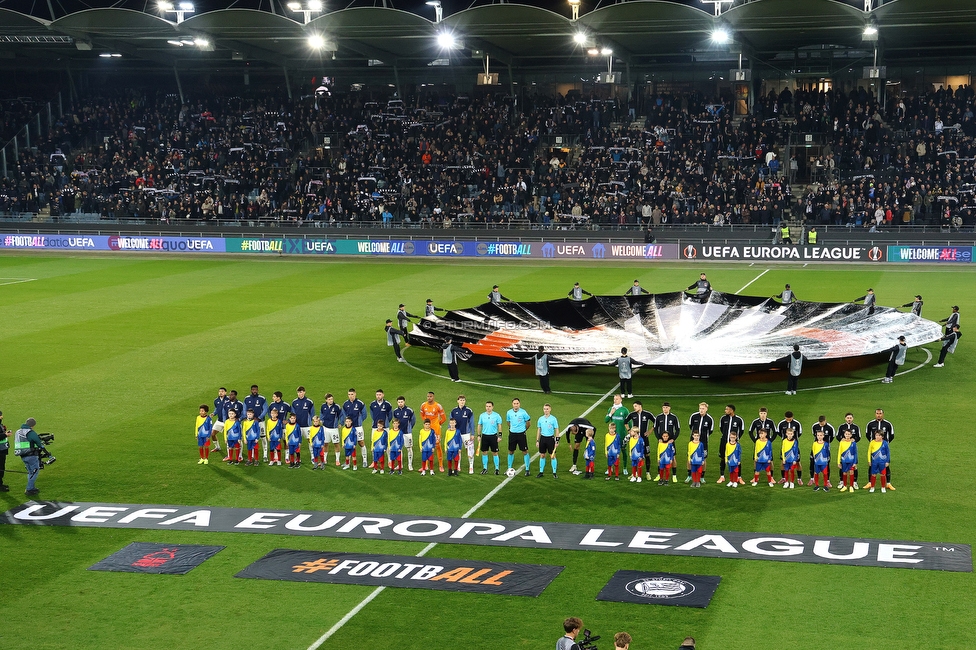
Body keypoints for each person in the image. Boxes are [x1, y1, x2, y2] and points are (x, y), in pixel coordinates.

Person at [13, 417, 46, 496]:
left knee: (31, 472)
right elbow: (37, 441)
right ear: (32, 425)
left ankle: (32, 487)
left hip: (22, 455)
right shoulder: (30, 432)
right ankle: (29, 489)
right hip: (31, 455)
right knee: (35, 471)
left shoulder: (18, 431)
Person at [866, 408, 895, 489]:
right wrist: (874, 443)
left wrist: (886, 443)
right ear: (875, 414)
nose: (879, 415)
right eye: (877, 413)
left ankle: (888, 483)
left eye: (880, 413)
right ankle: (870, 483)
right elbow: (868, 435)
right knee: (871, 465)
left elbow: (892, 435)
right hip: (874, 449)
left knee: (886, 465)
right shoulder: (870, 424)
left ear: (883, 414)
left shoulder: (888, 424)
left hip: (883, 448)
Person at [717, 404, 745, 484]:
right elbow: (721, 428)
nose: (725, 411)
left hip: (734, 444)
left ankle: (739, 477)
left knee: (737, 460)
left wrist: (735, 439)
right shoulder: (723, 418)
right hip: (724, 442)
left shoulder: (739, 420)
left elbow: (741, 431)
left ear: (731, 410)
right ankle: (722, 476)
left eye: (727, 409)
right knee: (723, 458)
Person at [420, 391, 447, 472]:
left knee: (437, 446)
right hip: (427, 430)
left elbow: (444, 418)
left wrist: (438, 424)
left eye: (430, 396)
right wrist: (426, 423)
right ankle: (426, 466)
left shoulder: (438, 406)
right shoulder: (423, 405)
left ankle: (441, 465)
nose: (429, 398)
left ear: (433, 397)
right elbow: (422, 414)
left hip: (436, 430)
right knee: (426, 446)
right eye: (428, 396)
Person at [627, 401, 655, 480]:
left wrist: (650, 431)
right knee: (634, 456)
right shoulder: (632, 415)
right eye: (634, 406)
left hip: (644, 439)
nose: (634, 408)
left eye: (635, 406)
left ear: (640, 406)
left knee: (647, 455)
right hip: (634, 440)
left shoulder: (647, 414)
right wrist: (629, 430)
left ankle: (647, 472)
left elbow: (656, 422)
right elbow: (625, 422)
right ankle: (634, 474)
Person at [342, 388, 369, 469]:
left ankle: (365, 460)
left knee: (361, 442)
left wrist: (359, 421)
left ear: (355, 394)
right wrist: (347, 423)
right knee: (348, 444)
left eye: (352, 394)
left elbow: (364, 415)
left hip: (358, 427)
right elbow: (344, 415)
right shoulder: (345, 404)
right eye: (349, 394)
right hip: (348, 428)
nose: (350, 396)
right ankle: (348, 462)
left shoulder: (360, 403)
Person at [654, 402, 680, 482]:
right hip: (661, 442)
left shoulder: (674, 417)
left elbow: (678, 429)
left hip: (670, 441)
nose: (665, 409)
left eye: (666, 407)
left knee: (673, 457)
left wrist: (673, 439)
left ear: (669, 408)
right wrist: (659, 438)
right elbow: (655, 428)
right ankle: (659, 474)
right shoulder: (658, 417)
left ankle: (674, 475)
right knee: (660, 457)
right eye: (664, 407)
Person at [689, 402, 715, 482]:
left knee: (704, 458)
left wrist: (703, 437)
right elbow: (690, 426)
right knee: (690, 457)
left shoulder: (709, 419)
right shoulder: (693, 416)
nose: (701, 410)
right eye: (700, 408)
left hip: (703, 442)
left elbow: (711, 430)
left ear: (706, 409)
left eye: (703, 408)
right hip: (693, 442)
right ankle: (689, 475)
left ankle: (702, 477)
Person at [605, 394, 631, 475]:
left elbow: (629, 422)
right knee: (611, 452)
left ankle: (625, 468)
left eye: (616, 399)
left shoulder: (624, 410)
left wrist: (630, 431)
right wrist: (610, 414)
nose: (615, 401)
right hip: (612, 435)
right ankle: (610, 468)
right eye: (614, 399)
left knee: (623, 450)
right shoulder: (611, 409)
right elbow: (606, 420)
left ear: (621, 400)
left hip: (622, 434)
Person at [506, 398, 532, 476]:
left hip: (521, 434)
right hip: (512, 434)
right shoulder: (509, 412)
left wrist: (524, 430)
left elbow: (528, 423)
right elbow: (508, 422)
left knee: (525, 451)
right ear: (512, 404)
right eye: (514, 403)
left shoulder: (523, 412)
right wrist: (512, 428)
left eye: (517, 403)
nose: (516, 405)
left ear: (519, 404)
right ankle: (509, 468)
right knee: (511, 451)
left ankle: (527, 470)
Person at [450, 395, 476, 475]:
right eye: (461, 400)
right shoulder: (454, 411)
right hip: (457, 434)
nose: (462, 402)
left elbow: (472, 423)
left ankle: (471, 466)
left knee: (469, 450)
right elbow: (450, 422)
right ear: (457, 401)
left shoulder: (469, 411)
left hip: (466, 434)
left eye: (463, 400)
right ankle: (458, 466)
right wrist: (450, 431)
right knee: (458, 450)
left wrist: (473, 433)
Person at [477, 400, 503, 475]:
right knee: (484, 452)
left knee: (495, 452)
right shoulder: (482, 415)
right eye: (487, 406)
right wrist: (479, 435)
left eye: (489, 406)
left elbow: (499, 425)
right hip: (485, 436)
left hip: (493, 436)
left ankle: (497, 469)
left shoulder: (496, 415)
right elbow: (479, 425)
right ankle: (485, 468)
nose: (488, 408)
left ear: (492, 407)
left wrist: (500, 435)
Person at [777, 411, 803, 483]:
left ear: (792, 417)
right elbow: (778, 432)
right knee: (783, 462)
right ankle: (783, 478)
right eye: (787, 419)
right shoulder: (781, 423)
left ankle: (799, 478)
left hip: (794, 446)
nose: (788, 420)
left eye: (790, 419)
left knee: (797, 462)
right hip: (785, 446)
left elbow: (799, 433)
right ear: (785, 417)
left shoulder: (797, 424)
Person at [369, 389, 394, 466]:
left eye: (380, 394)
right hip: (375, 427)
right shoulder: (372, 404)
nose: (378, 396)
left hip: (385, 427)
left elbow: (390, 416)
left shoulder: (387, 404)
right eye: (377, 395)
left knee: (387, 443)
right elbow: (372, 415)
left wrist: (385, 423)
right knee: (374, 444)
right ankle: (374, 461)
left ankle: (390, 461)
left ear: (383, 395)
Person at [244, 385, 268, 461]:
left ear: (258, 390)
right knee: (252, 438)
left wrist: (259, 418)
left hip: (260, 422)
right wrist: (248, 418)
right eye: (253, 390)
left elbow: (265, 409)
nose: (255, 391)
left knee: (263, 437)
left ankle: (265, 455)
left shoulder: (262, 398)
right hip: (250, 423)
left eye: (256, 390)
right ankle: (252, 455)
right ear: (251, 390)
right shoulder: (247, 398)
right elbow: (244, 409)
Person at [810, 415, 836, 487]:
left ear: (825, 421)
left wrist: (826, 443)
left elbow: (832, 436)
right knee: (812, 463)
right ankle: (812, 479)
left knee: (827, 464)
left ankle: (827, 481)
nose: (821, 424)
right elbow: (814, 434)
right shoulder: (815, 426)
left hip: (825, 449)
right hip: (816, 448)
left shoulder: (830, 428)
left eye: (822, 423)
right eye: (820, 423)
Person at [393, 396, 417, 471]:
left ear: (404, 402)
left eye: (401, 402)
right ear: (397, 402)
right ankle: (400, 464)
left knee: (409, 448)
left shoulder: (409, 410)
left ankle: (410, 464)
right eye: (399, 402)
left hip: (407, 433)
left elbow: (413, 421)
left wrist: (409, 428)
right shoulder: (395, 411)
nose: (400, 403)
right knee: (399, 449)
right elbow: (394, 421)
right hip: (398, 433)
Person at [536, 403, 559, 478]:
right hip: (543, 438)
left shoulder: (553, 419)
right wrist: (537, 440)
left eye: (547, 409)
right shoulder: (540, 419)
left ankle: (554, 472)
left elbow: (556, 429)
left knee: (552, 456)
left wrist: (557, 440)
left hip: (550, 439)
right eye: (544, 409)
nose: (545, 410)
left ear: (550, 409)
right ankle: (541, 472)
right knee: (542, 455)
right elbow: (539, 430)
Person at [320, 393, 343, 467]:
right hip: (325, 428)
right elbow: (321, 414)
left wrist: (341, 423)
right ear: (326, 400)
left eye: (332, 399)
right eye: (329, 399)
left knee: (336, 444)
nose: (331, 401)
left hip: (334, 429)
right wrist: (321, 420)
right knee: (325, 444)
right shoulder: (323, 406)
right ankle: (324, 460)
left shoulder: (337, 407)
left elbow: (342, 415)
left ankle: (337, 460)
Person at [292, 386, 315, 460]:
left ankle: (312, 456)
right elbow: (293, 414)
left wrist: (312, 422)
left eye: (301, 392)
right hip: (298, 426)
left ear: (304, 392)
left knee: (310, 440)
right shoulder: (294, 402)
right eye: (298, 392)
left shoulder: (309, 402)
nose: (299, 394)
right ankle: (298, 458)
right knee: (298, 442)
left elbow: (312, 413)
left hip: (307, 425)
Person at [868, 429, 891, 493]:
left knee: (883, 474)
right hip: (874, 462)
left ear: (882, 436)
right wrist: (869, 461)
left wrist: (887, 461)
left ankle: (883, 487)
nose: (877, 437)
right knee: (873, 474)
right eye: (876, 435)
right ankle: (872, 487)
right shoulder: (872, 442)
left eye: (879, 435)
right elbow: (869, 452)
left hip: (882, 462)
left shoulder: (885, 443)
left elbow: (888, 453)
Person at [837, 428, 858, 493]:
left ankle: (851, 486)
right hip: (844, 461)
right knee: (844, 473)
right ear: (844, 434)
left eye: (849, 434)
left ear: (851, 435)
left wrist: (855, 462)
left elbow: (855, 453)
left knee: (851, 472)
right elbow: (839, 452)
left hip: (851, 461)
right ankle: (845, 486)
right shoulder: (842, 442)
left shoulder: (853, 443)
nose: (847, 435)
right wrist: (838, 462)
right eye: (846, 434)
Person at [210, 387, 228, 456]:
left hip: (228, 421)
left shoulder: (228, 399)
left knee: (229, 437)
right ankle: (217, 447)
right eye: (219, 391)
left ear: (225, 392)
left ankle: (232, 451)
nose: (221, 392)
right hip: (220, 420)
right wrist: (214, 413)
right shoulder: (216, 400)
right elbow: (217, 409)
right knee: (213, 434)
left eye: (222, 391)